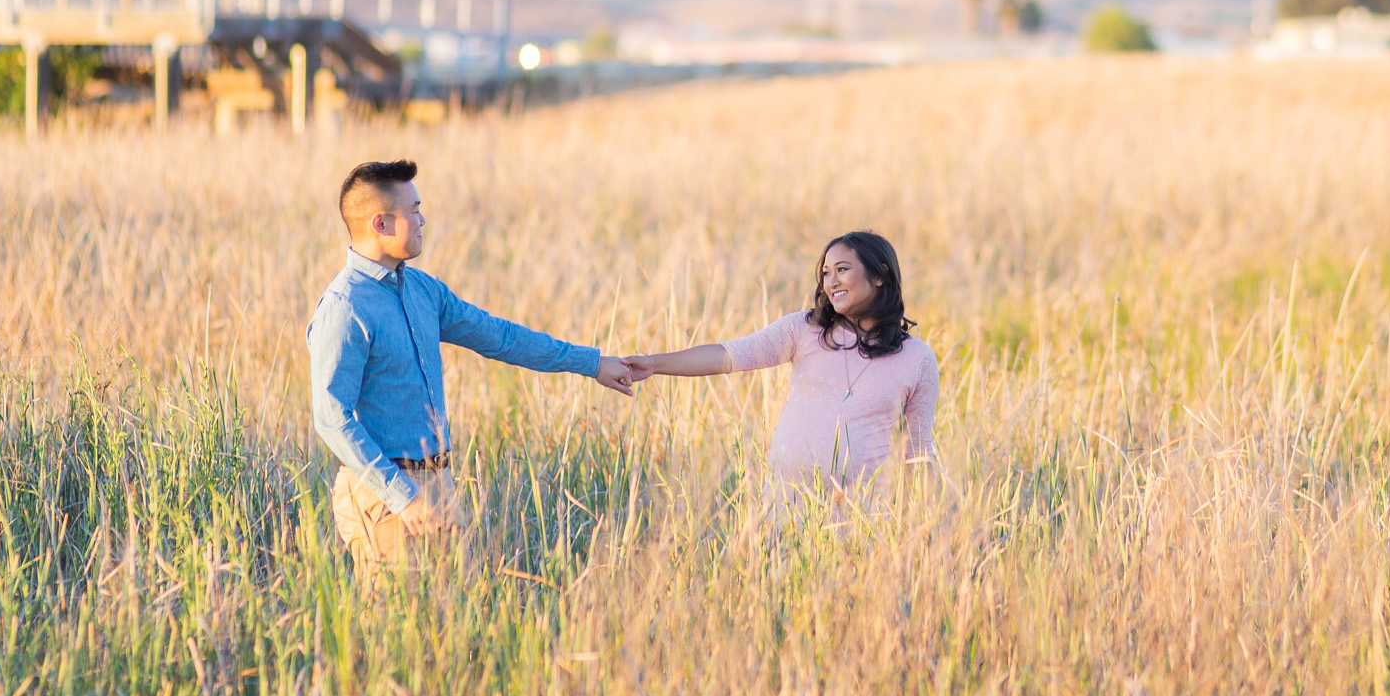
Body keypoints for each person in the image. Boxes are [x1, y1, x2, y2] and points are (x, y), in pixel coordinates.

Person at [308, 159, 635, 571]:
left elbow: (501, 338)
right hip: (382, 494)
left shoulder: (424, 291)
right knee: (395, 627)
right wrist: (401, 495)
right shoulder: (344, 307)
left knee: (452, 624)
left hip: (439, 483)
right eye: (413, 210)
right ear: (381, 224)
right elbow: (331, 419)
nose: (422, 218)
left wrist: (591, 363)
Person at [623, 231, 939, 505]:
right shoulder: (806, 329)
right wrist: (654, 364)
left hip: (861, 522)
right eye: (826, 273)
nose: (832, 281)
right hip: (785, 510)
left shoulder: (916, 359)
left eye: (842, 269)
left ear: (880, 274)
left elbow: (919, 455)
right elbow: (728, 356)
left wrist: (925, 539)